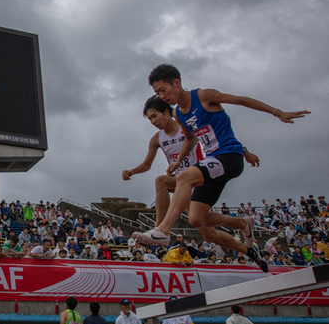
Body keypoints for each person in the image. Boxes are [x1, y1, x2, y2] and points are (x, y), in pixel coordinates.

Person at [134, 64, 308, 271]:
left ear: (177, 83)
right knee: (197, 218)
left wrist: (277, 112)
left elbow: (241, 100)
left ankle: (162, 230)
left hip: (229, 157)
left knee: (184, 178)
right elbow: (191, 139)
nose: (162, 96)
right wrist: (179, 160)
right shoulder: (180, 115)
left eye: (163, 90)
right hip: (211, 163)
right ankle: (243, 223)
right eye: (157, 93)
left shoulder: (204, 96)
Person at [123, 95, 259, 226]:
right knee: (205, 230)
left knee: (206, 230)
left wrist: (244, 151)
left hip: (199, 177)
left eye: (154, 116)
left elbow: (216, 139)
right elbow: (147, 165)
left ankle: (159, 229)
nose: (153, 122)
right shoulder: (157, 139)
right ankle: (159, 228)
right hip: (181, 182)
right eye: (150, 120)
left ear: (166, 112)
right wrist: (132, 171)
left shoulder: (187, 129)